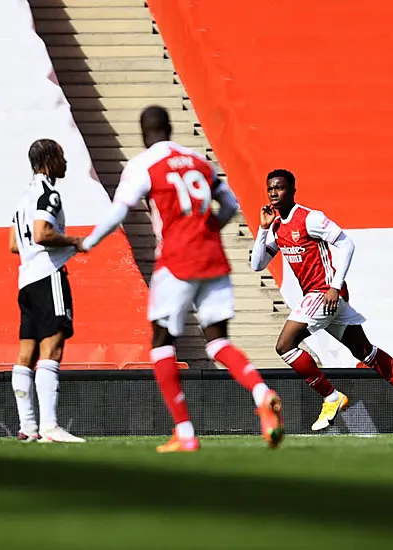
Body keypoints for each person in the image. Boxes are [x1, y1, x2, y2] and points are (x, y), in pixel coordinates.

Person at [81, 105, 283, 452]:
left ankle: (185, 433)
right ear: (171, 127)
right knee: (217, 341)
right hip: (213, 257)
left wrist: (87, 242)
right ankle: (262, 393)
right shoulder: (198, 161)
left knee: (161, 341)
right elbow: (231, 205)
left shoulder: (144, 164)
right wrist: (207, 231)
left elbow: (119, 211)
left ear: (144, 133)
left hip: (176, 260)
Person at [249, 169, 393, 433]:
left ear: (292, 190)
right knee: (365, 352)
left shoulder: (310, 218)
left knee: (285, 345)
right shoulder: (277, 227)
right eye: (270, 189)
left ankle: (331, 397)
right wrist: (263, 228)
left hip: (323, 292)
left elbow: (347, 244)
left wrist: (335, 286)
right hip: (319, 298)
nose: (273, 194)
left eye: (279, 188)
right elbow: (257, 264)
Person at [10, 138, 86, 443]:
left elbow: (15, 244)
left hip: (26, 279)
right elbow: (42, 234)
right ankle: (51, 426)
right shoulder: (48, 194)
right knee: (52, 348)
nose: (65, 163)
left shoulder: (22, 199)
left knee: (25, 354)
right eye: (63, 157)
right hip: (48, 274)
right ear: (51, 159)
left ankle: (27, 427)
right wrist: (74, 242)